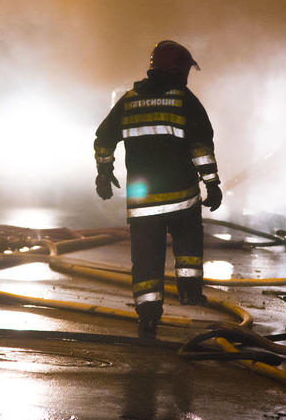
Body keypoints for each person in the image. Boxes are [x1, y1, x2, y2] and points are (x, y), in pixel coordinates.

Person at [94, 40, 222, 339]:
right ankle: (190, 292)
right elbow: (201, 146)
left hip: (143, 200)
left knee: (146, 257)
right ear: (178, 70)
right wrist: (212, 182)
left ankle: (148, 316)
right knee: (188, 245)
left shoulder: (129, 101)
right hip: (181, 196)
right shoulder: (184, 101)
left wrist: (104, 171)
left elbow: (103, 138)